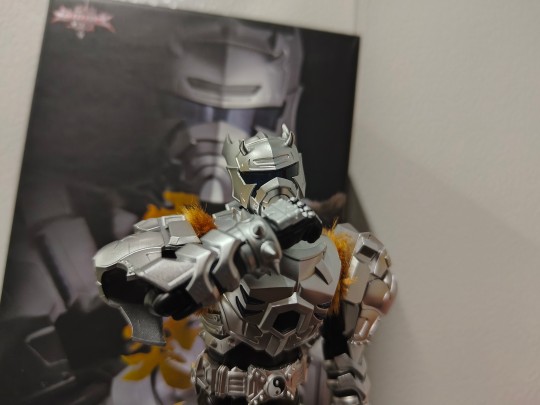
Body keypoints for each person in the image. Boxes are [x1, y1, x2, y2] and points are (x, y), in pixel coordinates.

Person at [95, 125, 396, 405]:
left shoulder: (338, 252)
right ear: (240, 181)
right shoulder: (206, 234)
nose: (276, 186)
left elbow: (346, 363)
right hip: (221, 396)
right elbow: (117, 274)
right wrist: (253, 239)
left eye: (286, 172)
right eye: (259, 178)